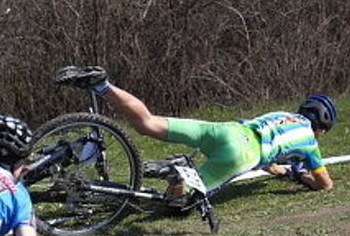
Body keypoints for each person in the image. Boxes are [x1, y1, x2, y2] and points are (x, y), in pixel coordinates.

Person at [57, 66, 337, 194]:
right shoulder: (310, 143)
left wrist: (275, 168)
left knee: (148, 123)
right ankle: (179, 176)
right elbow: (325, 185)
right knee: (177, 203)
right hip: (242, 153)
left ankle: (102, 85)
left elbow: (267, 144)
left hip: (226, 130)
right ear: (321, 128)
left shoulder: (282, 115)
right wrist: (301, 177)